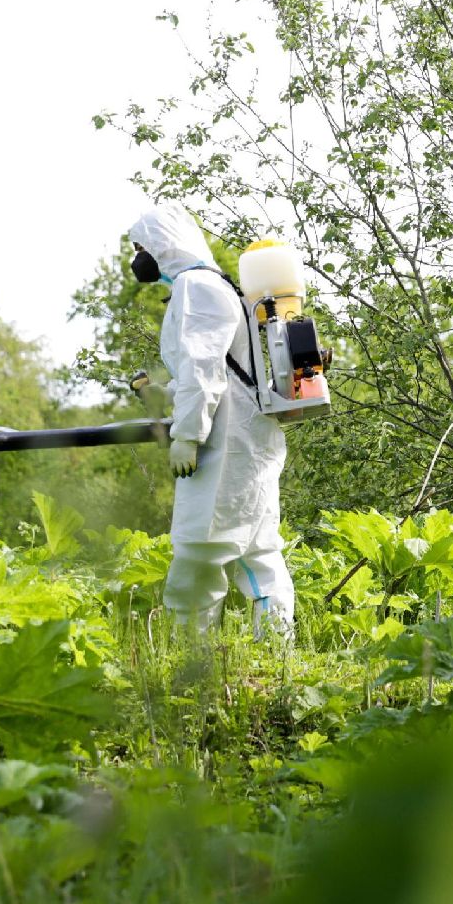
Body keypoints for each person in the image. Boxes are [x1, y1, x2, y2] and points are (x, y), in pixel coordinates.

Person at [126, 206, 295, 636]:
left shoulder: (195, 286)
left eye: (142, 247)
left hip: (223, 450)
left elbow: (204, 370)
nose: (137, 257)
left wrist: (187, 435)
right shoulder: (216, 286)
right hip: (246, 440)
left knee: (200, 550)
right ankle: (277, 651)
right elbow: (218, 375)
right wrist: (161, 393)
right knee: (257, 553)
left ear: (164, 243)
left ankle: (190, 656)